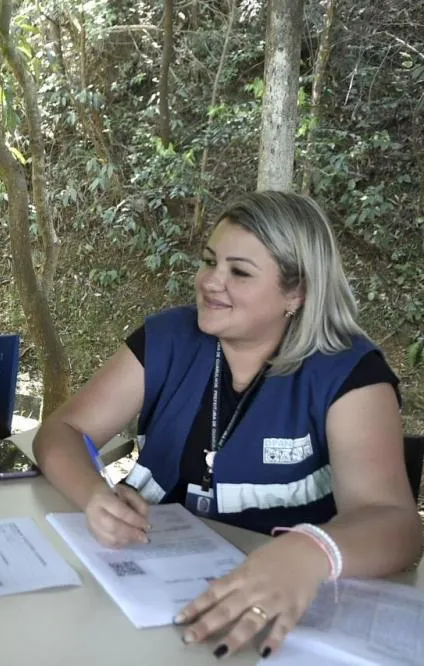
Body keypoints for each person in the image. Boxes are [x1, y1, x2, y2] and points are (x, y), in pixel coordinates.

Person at [33, 191, 422, 660]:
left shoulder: (348, 373)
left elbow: (397, 524)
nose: (210, 282)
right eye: (209, 261)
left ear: (295, 293)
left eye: (239, 272)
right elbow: (62, 432)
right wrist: (93, 495)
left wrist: (310, 552)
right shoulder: (168, 339)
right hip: (146, 596)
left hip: (276, 619)